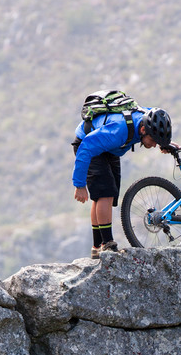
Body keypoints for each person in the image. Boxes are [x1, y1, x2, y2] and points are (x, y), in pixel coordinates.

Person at [72, 106, 174, 257]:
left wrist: (164, 142)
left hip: (110, 148)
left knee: (106, 195)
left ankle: (97, 247)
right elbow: (86, 148)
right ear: (143, 130)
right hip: (88, 145)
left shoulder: (145, 119)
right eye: (153, 140)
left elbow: (153, 114)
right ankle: (108, 245)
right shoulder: (119, 131)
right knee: (105, 194)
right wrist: (79, 184)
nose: (154, 145)